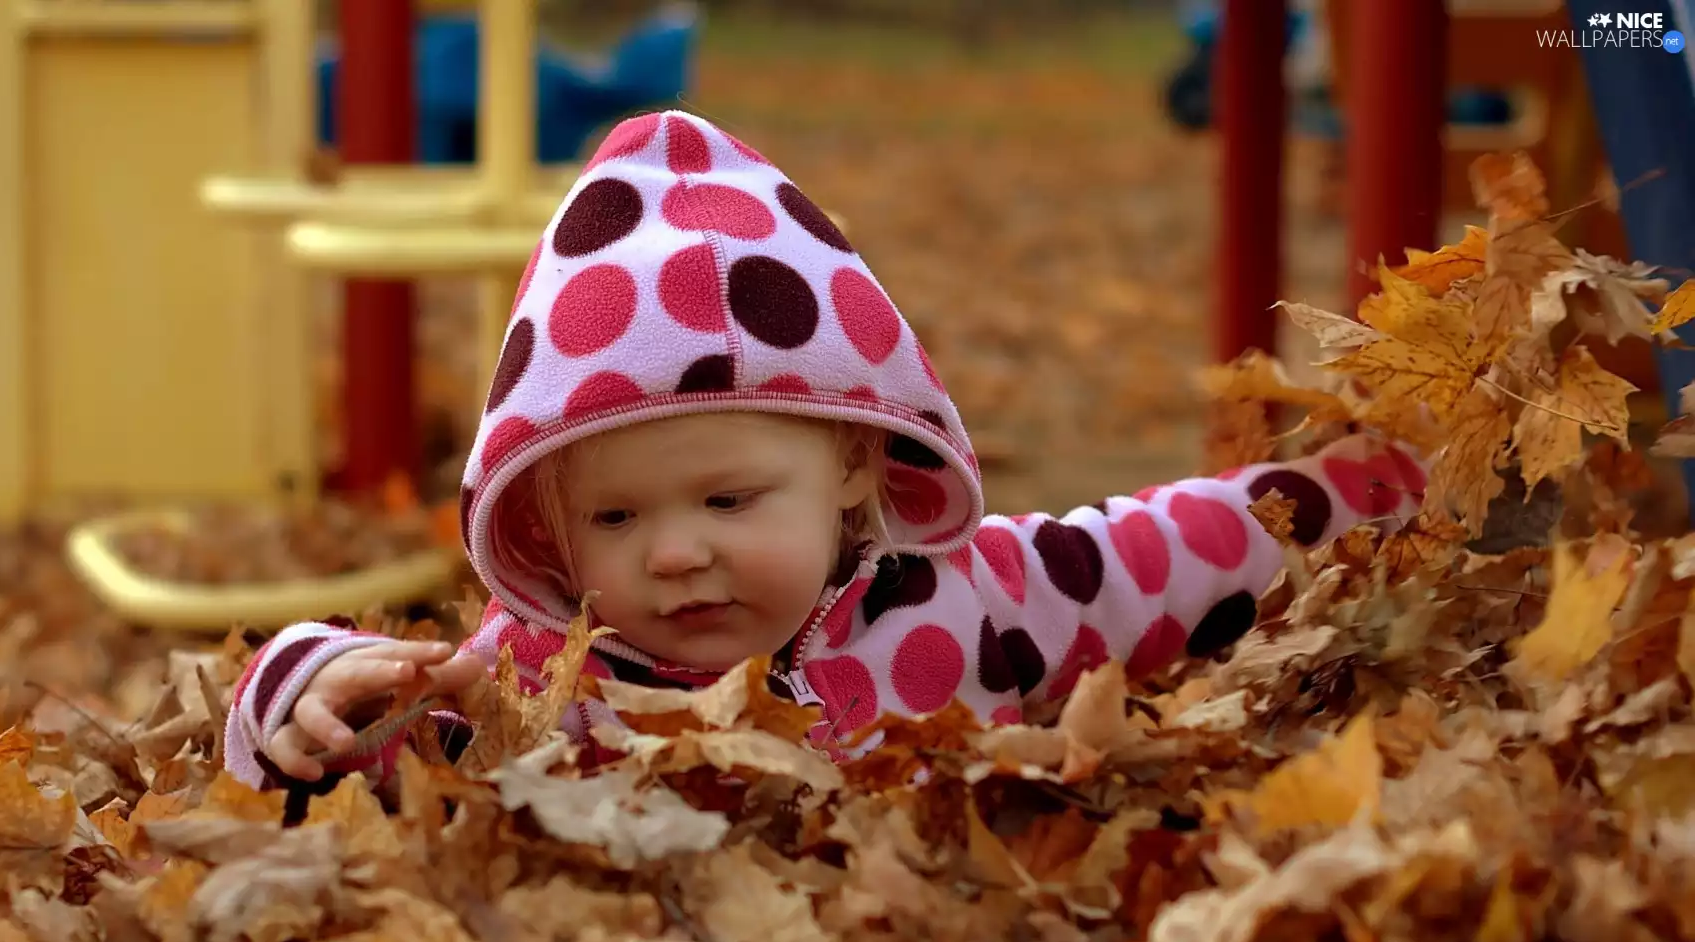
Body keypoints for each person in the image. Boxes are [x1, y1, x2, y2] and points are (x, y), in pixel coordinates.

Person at [222, 109, 1424, 793]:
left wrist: (1379, 491)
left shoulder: (974, 602)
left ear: (854, 461)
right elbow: (348, 739)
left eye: (729, 498)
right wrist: (305, 692)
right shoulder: (538, 675)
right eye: (616, 521)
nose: (678, 554)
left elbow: (1166, 556)